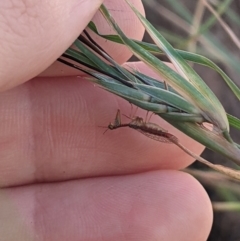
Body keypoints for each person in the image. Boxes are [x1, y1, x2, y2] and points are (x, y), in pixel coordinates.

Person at [0, 1, 212, 240]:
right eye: (112, 125)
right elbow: (140, 123)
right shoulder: (128, 123)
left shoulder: (126, 122)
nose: (112, 124)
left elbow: (135, 121)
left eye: (112, 125)